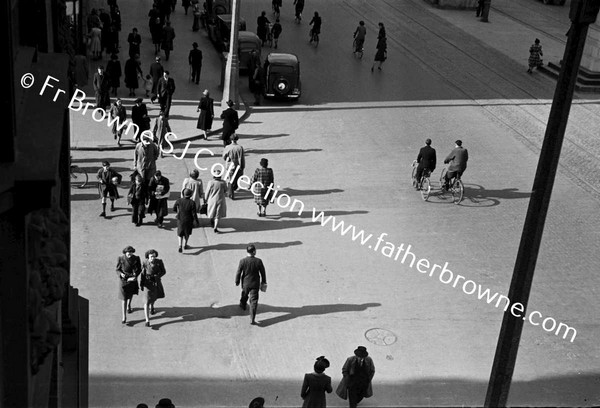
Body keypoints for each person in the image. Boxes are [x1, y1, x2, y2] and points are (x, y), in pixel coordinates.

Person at [235, 244, 267, 325]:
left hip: (245, 283)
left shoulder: (243, 261)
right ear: (253, 252)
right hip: (255, 284)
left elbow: (239, 272)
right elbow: (263, 272)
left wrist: (237, 281)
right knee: (254, 301)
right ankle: (252, 318)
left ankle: (242, 304)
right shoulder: (258, 261)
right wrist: (263, 281)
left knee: (244, 294)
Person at [116, 245, 142, 324]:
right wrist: (121, 274)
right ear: (125, 252)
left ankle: (129, 305)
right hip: (123, 280)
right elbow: (117, 269)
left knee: (130, 294)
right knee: (124, 298)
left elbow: (139, 269)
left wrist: (135, 275)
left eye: (131, 252)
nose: (129, 254)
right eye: (128, 252)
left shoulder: (136, 258)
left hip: (132, 279)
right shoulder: (121, 258)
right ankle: (124, 317)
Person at [140, 249, 166, 327]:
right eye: (151, 256)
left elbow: (163, 271)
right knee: (146, 301)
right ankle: (147, 320)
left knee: (154, 297)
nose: (153, 258)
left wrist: (157, 276)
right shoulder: (145, 262)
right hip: (147, 283)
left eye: (154, 256)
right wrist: (141, 283)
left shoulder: (159, 262)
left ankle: (152, 306)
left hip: (156, 282)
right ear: (148, 257)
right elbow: (143, 273)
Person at [222, 133, 245, 199]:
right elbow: (242, 158)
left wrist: (227, 158)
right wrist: (242, 166)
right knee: (237, 177)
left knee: (230, 179)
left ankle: (231, 193)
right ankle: (234, 188)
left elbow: (224, 156)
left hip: (230, 165)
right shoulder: (240, 147)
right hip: (238, 164)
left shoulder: (228, 147)